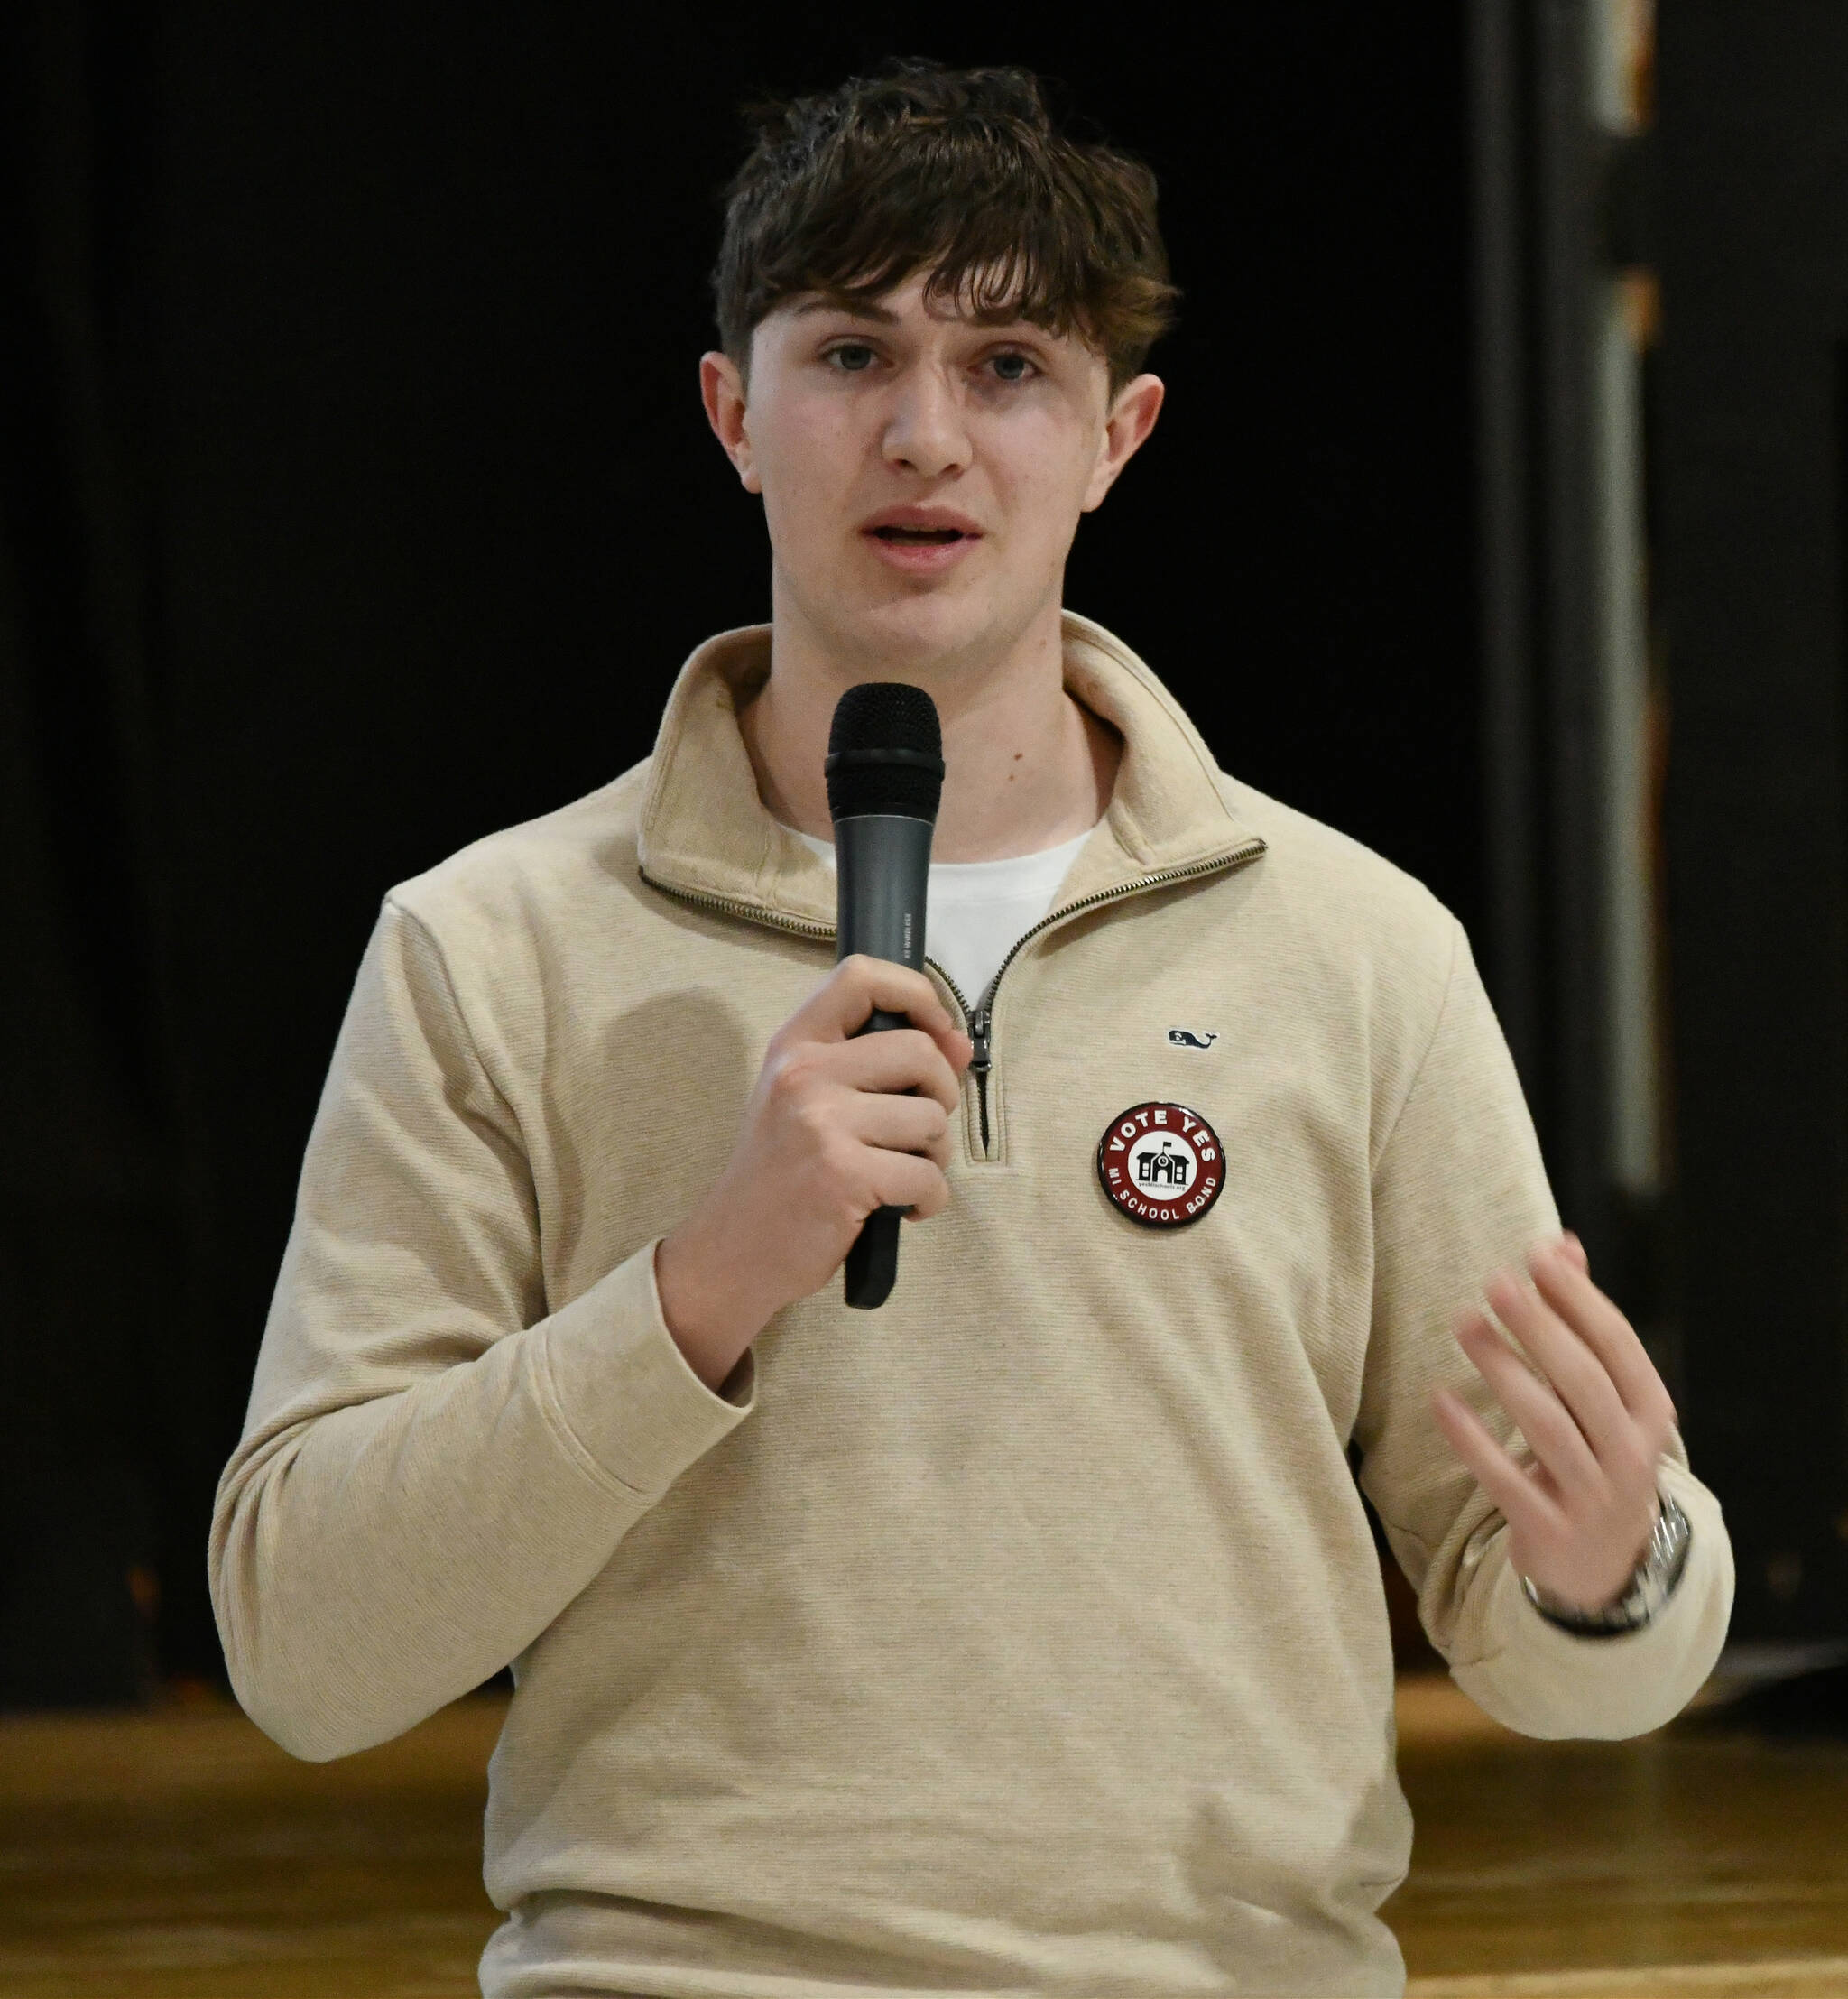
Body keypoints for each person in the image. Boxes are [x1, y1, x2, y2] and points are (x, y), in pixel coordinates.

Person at [209, 60, 1734, 1999]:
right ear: (730, 414)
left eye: (1008, 365)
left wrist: (1613, 1573)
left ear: (1119, 433)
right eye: (850, 353)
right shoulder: (487, 947)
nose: (924, 435)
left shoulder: (1356, 953)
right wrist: (697, 1286)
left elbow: (1574, 1651)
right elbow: (302, 1647)